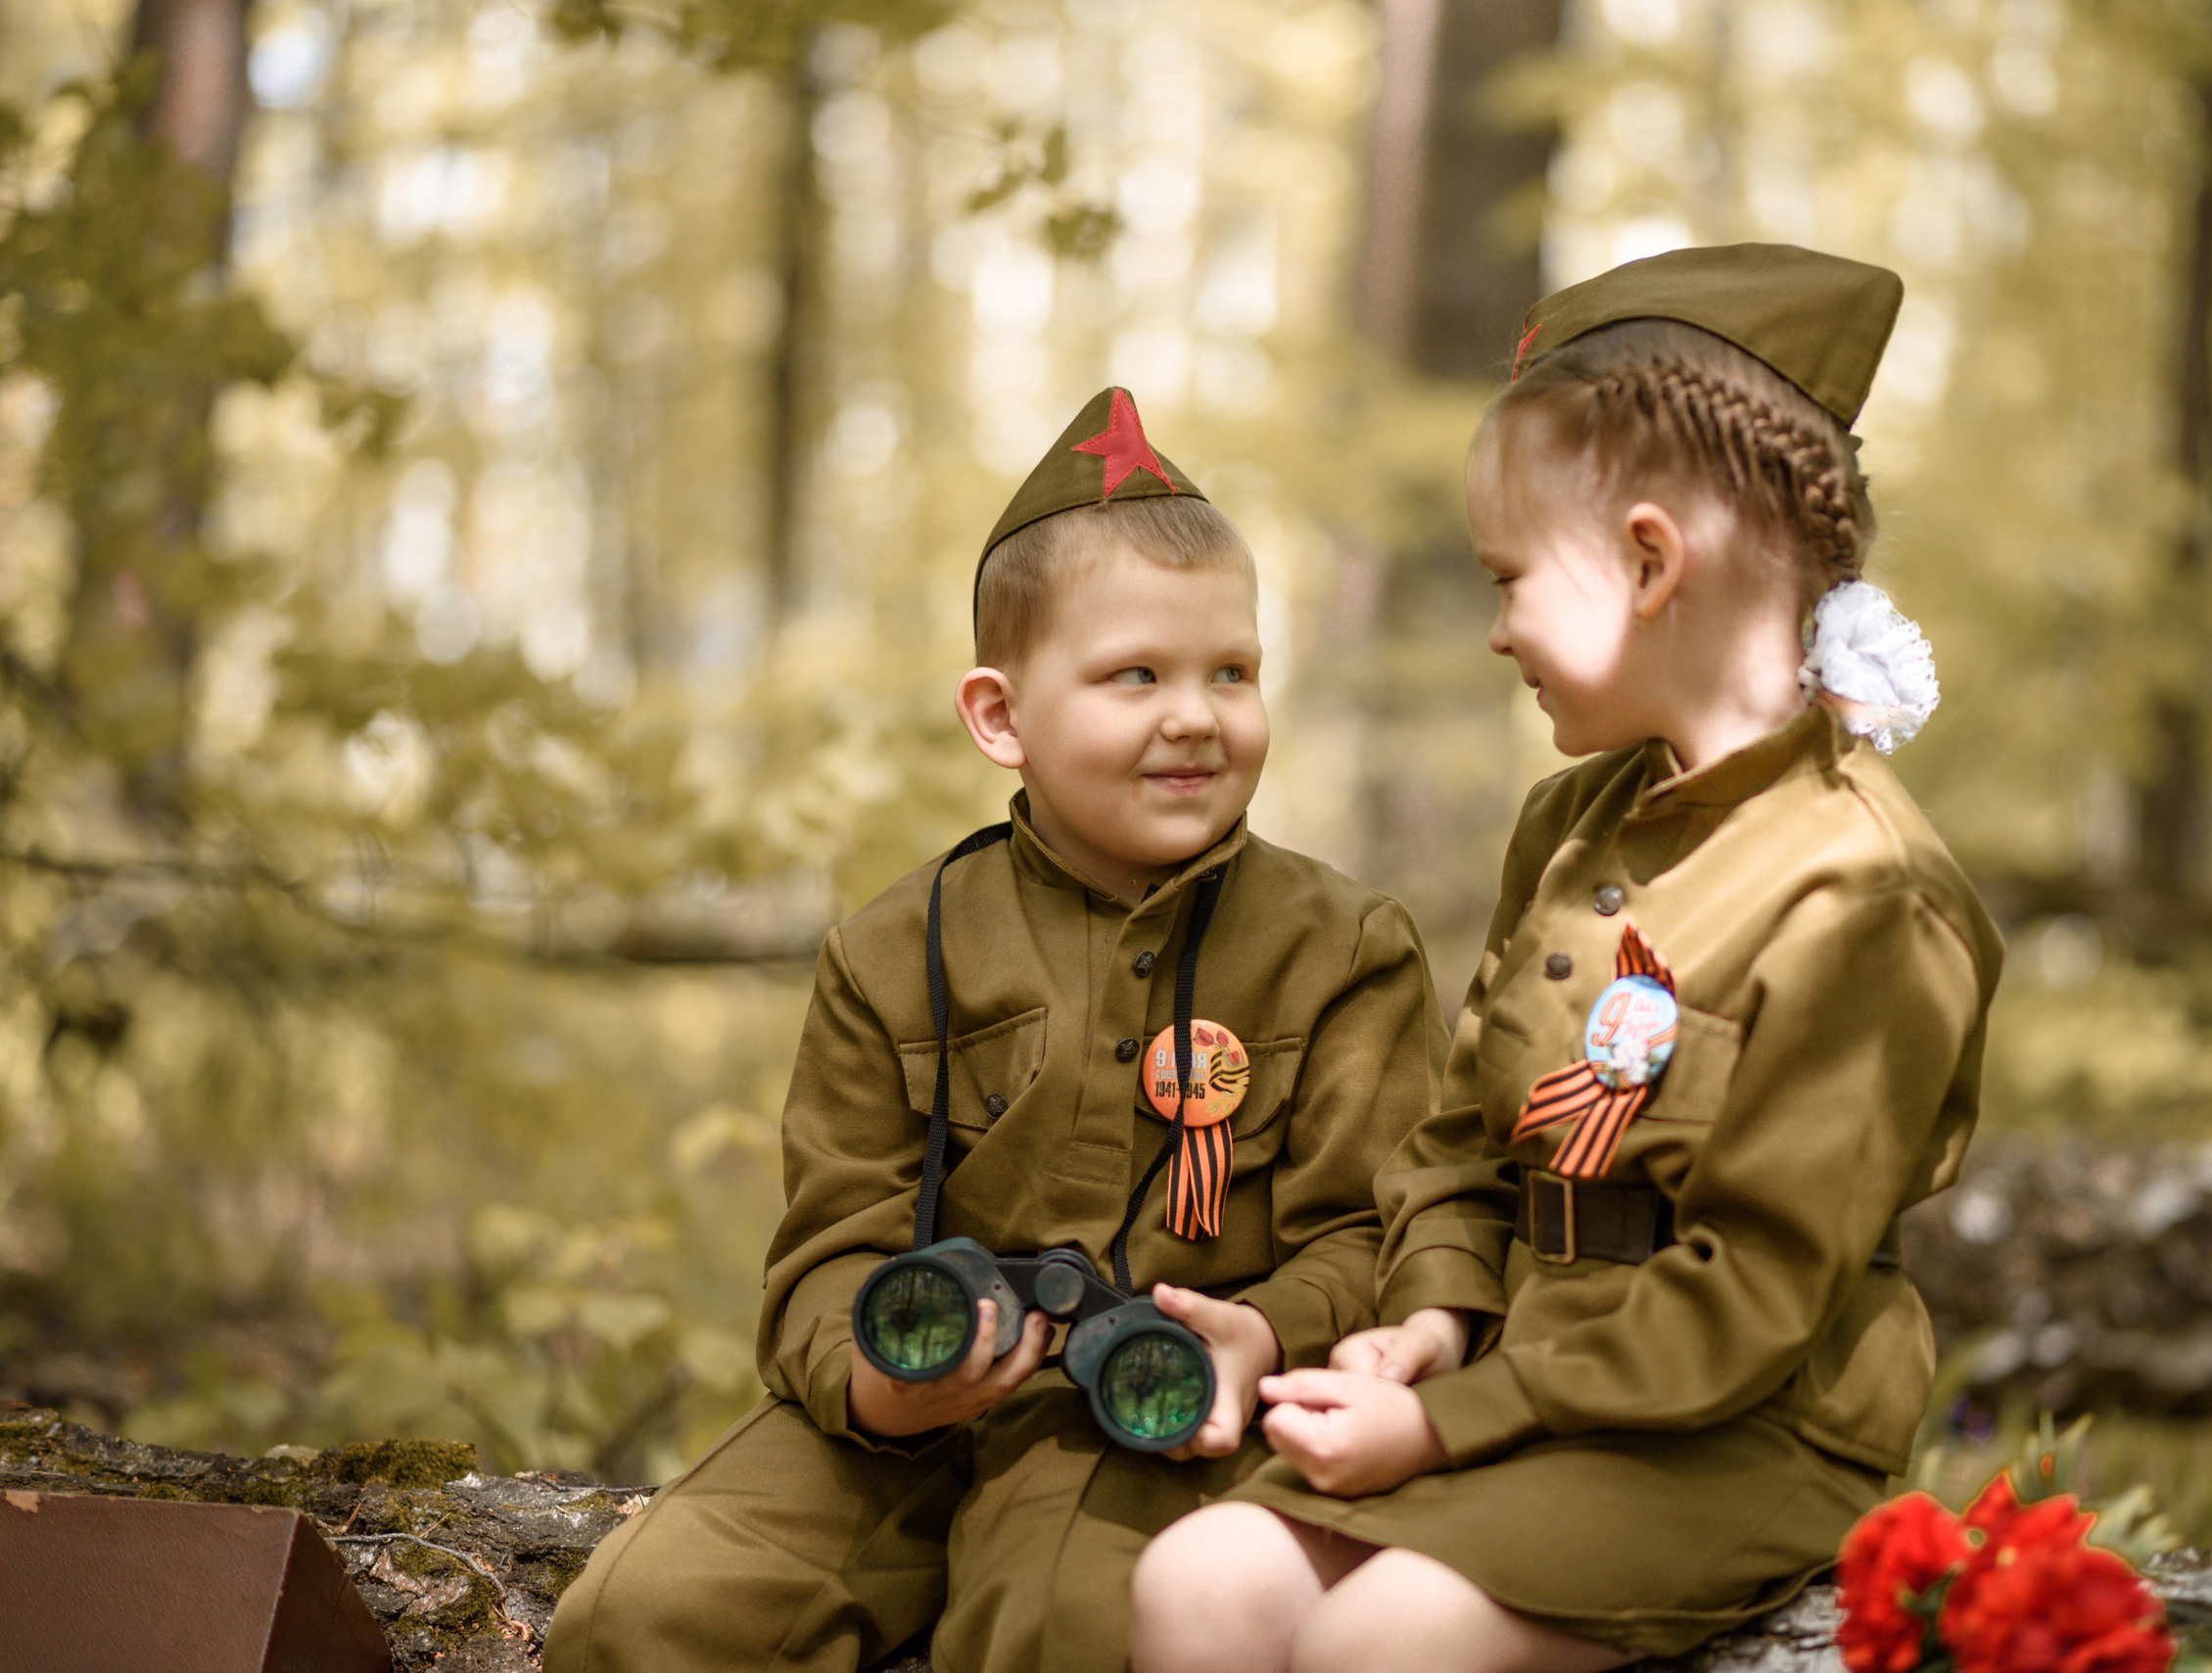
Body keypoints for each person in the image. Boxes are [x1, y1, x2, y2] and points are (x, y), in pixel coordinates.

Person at [1130, 244, 2004, 1673]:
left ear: (1652, 562)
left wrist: (1450, 1422)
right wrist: (1429, 1321)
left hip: (1732, 1434)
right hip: (1518, 1388)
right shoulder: (1573, 821)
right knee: (1201, 1583)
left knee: (1382, 1642)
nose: (1494, 629)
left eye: (1511, 578)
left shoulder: (1862, 893)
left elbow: (1753, 1298)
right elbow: (1467, 1142)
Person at [545, 388, 1447, 1673]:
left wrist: (1265, 1333)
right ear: (1000, 715)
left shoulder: (1342, 948)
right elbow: (824, 1255)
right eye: (1136, 673)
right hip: (896, 1422)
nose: (1195, 713)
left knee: (1061, 1625)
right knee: (644, 1614)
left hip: (1154, 1419)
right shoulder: (893, 951)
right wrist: (880, 1378)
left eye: (1231, 671)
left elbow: (1376, 1232)